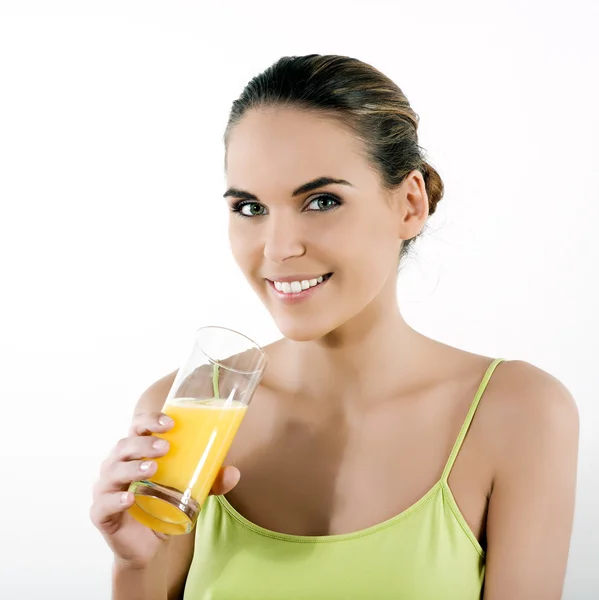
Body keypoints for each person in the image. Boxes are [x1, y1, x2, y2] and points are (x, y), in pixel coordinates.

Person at [90, 54, 579, 599]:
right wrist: (134, 565)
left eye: (321, 201)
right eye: (250, 208)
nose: (278, 248)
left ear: (410, 204)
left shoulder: (518, 413)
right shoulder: (185, 406)